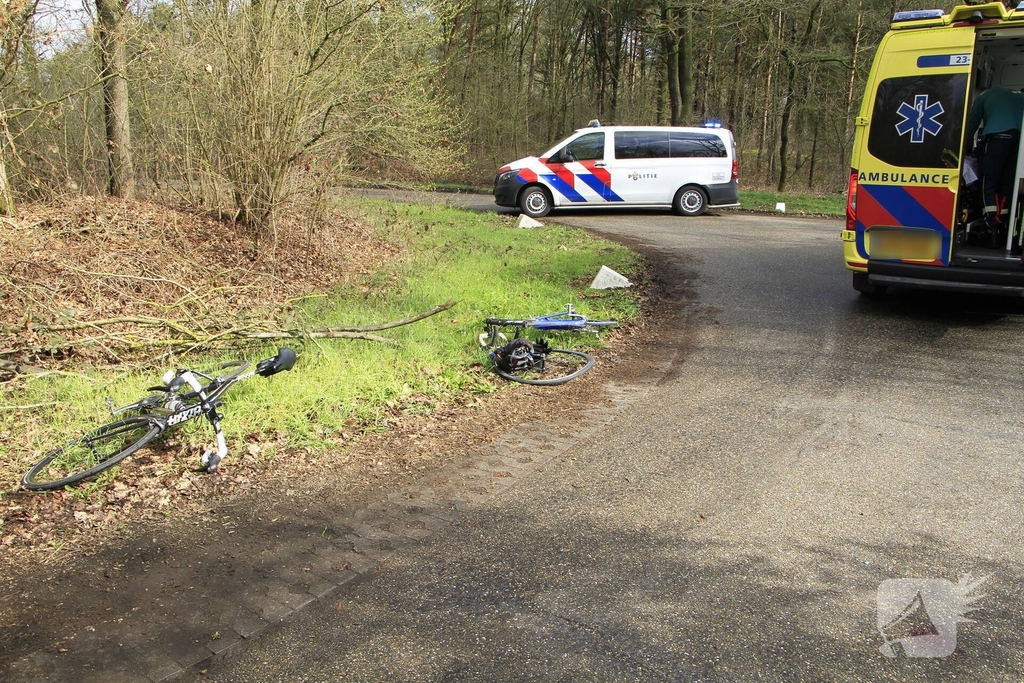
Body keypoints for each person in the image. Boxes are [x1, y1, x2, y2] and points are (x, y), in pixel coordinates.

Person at [966, 85, 1024, 246]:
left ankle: (991, 225)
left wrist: (967, 149)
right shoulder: (1019, 97)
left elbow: (971, 125)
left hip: (996, 138)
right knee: (1007, 182)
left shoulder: (984, 96)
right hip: (1019, 140)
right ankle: (1003, 223)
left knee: (989, 181)